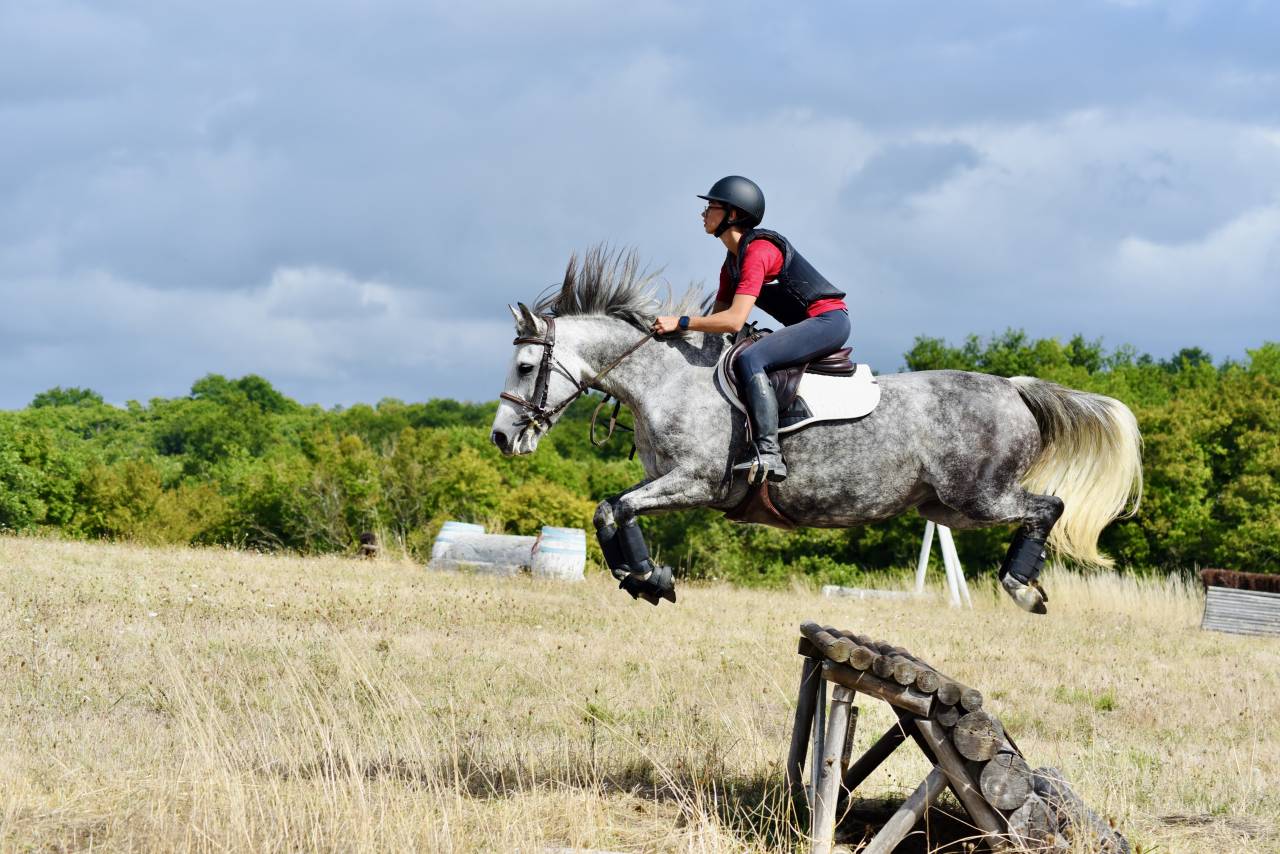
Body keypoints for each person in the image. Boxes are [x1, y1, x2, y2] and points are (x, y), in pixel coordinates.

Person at [653, 176, 849, 484]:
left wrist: (682, 322)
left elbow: (733, 320)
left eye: (711, 206)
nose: (703, 213)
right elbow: (717, 321)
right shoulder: (731, 263)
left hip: (828, 322)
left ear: (732, 214)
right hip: (808, 325)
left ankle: (769, 453)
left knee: (751, 359)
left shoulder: (759, 251)